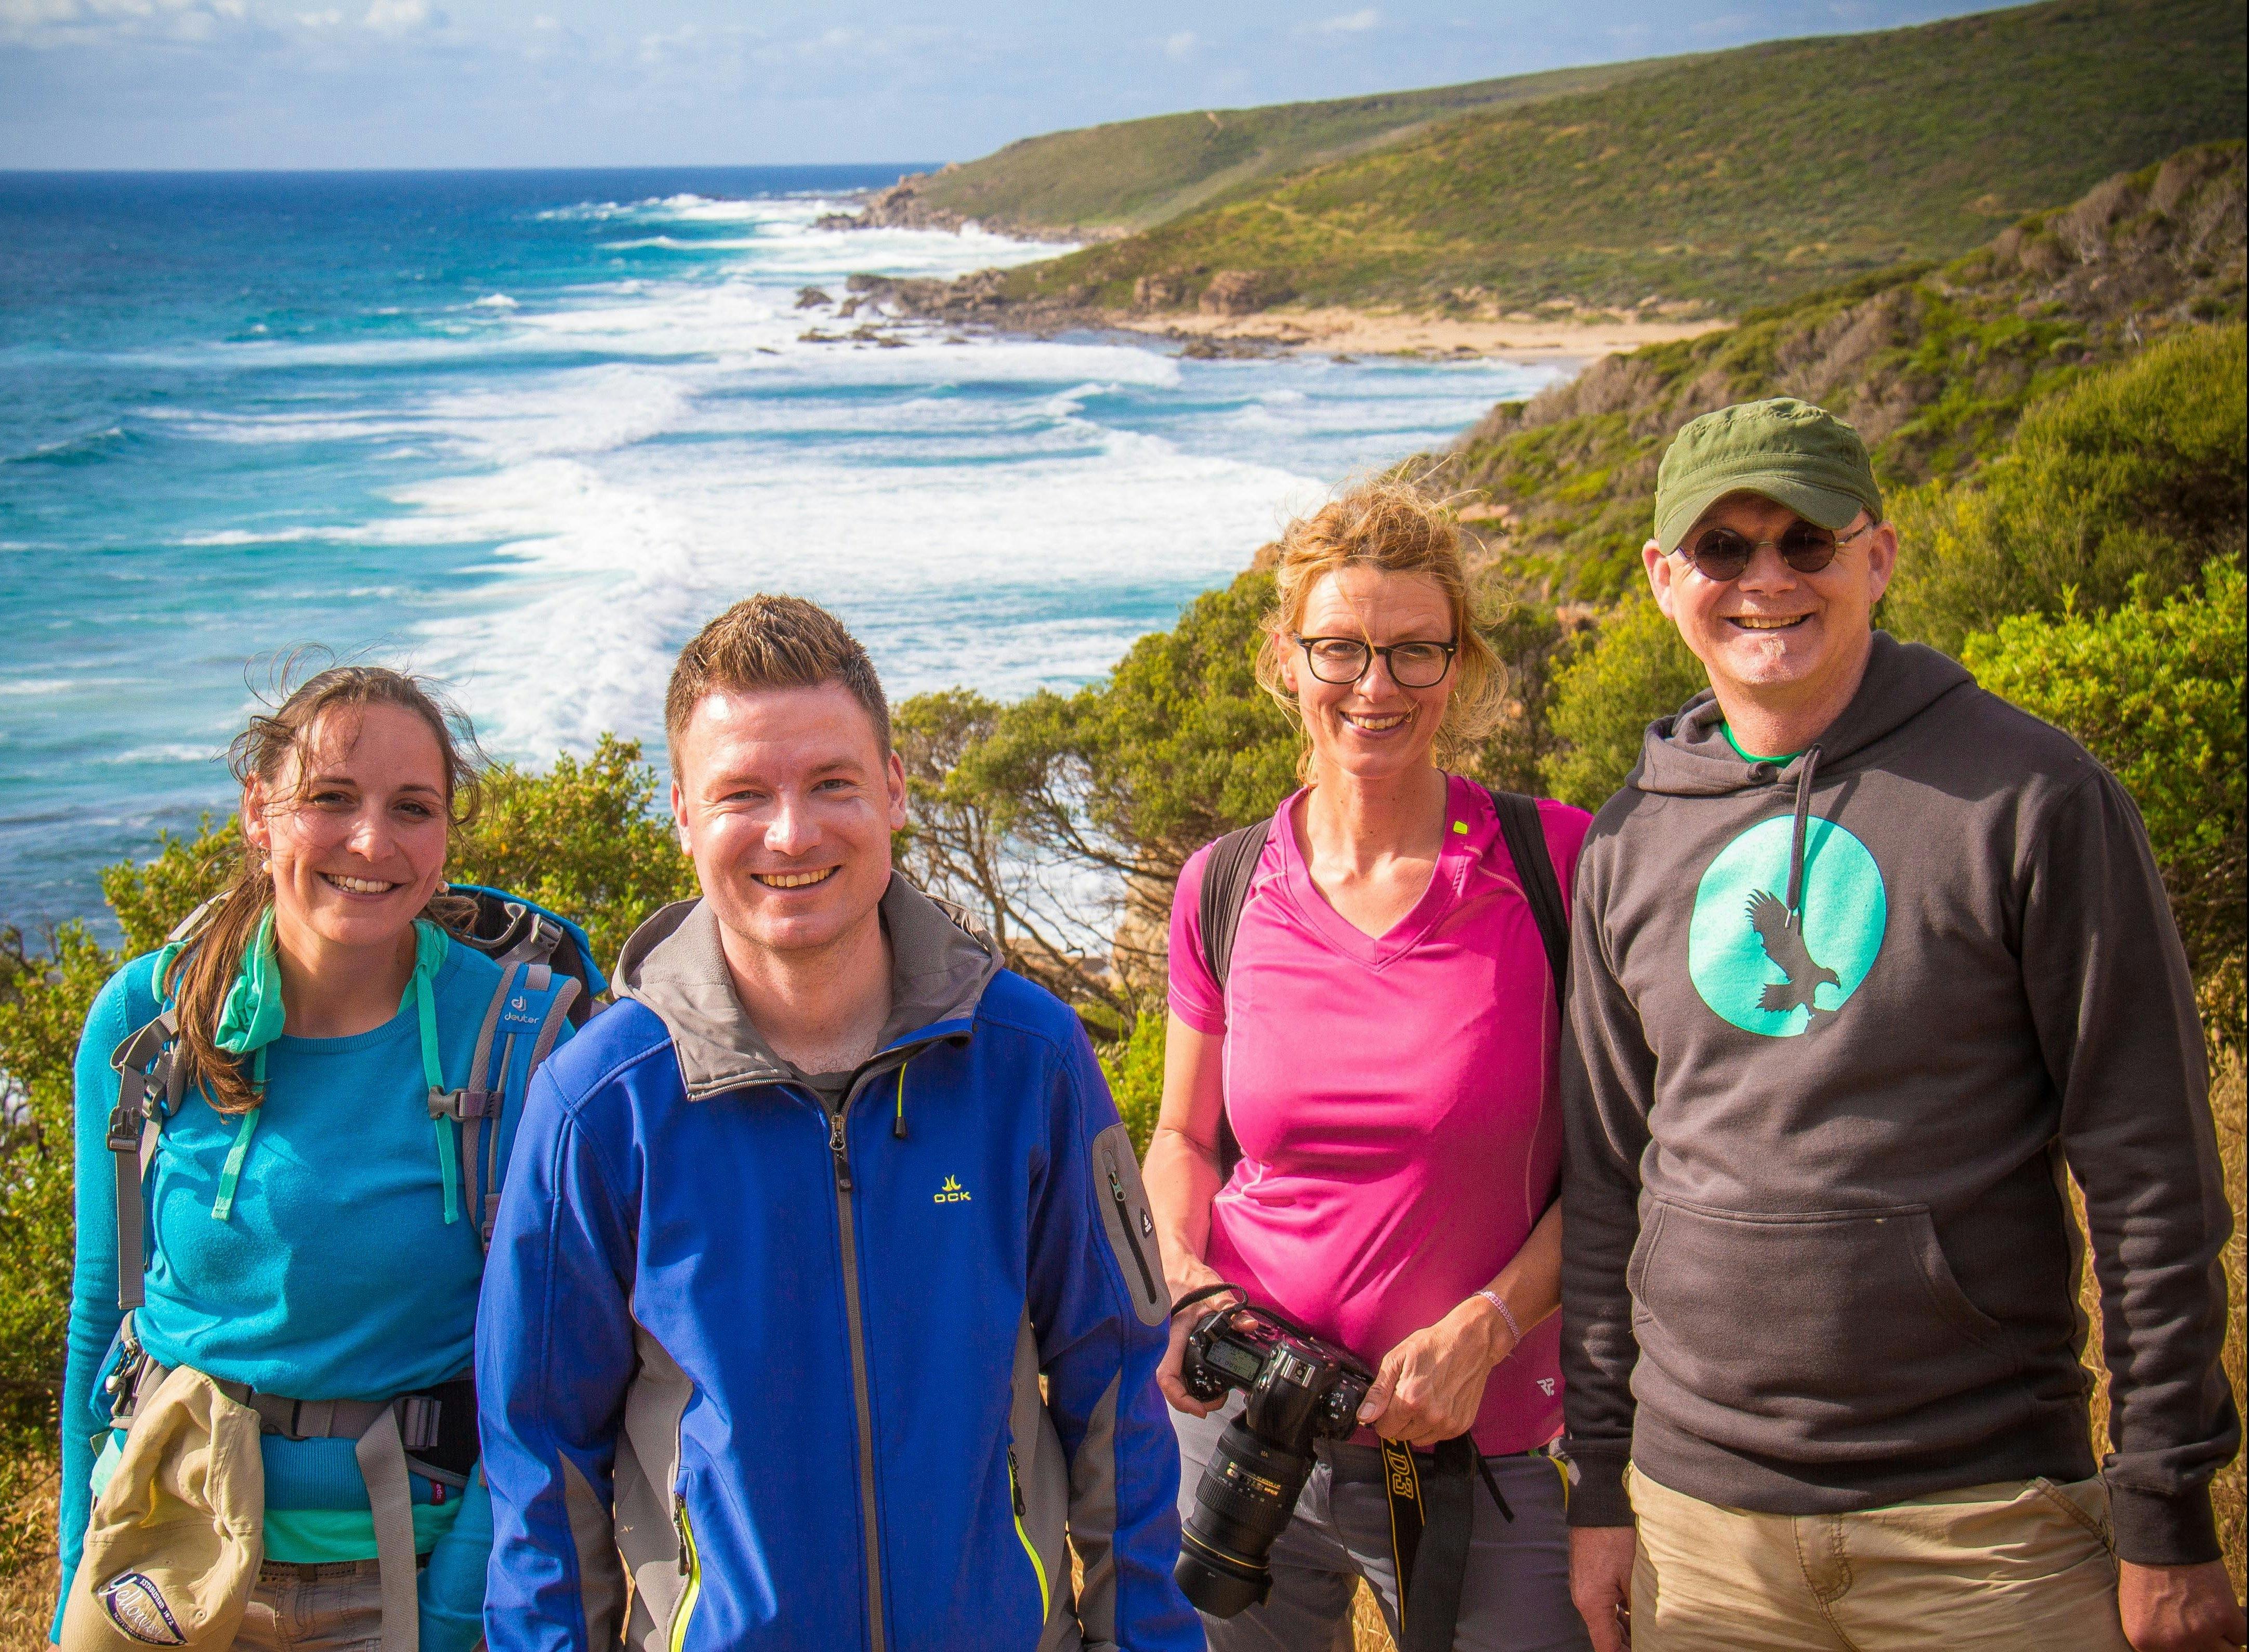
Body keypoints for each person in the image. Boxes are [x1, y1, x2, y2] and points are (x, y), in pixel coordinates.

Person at [1560, 398, 2245, 1652]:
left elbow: (2151, 1168)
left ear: (1876, 555)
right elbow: (1609, 1182)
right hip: (1699, 1534)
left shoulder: (2036, 798)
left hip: (1982, 1524)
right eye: (1724, 548)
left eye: (1806, 542)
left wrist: (2164, 1503)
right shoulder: (1628, 841)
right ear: (1665, 578)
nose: (1767, 579)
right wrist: (1601, 1482)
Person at [473, 595, 1201, 1652]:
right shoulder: (599, 1102)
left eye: (832, 783)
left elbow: (1119, 1392)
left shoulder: (1028, 1058)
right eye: (742, 793)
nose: (792, 832)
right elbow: (539, 1459)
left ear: (894, 788)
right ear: (682, 813)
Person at [1145, 474, 1594, 1652]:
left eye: (1414, 652)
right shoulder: (1223, 884)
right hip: (1245, 1433)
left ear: (1462, 663)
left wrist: (1487, 1327)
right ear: (1287, 659)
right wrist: (1180, 1281)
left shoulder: (1555, 863)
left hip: (1486, 1445)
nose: (1375, 686)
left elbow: (1621, 1165)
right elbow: (1184, 1136)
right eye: (1340, 648)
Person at [56, 664, 583, 1652]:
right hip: (157, 1555)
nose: (372, 841)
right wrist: (71, 1582)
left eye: (412, 808)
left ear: (447, 833)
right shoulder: (149, 1020)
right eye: (331, 798)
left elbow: (545, 1374)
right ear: (259, 811)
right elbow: (100, 1313)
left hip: (397, 1578)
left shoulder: (517, 1043)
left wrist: (451, 1609)